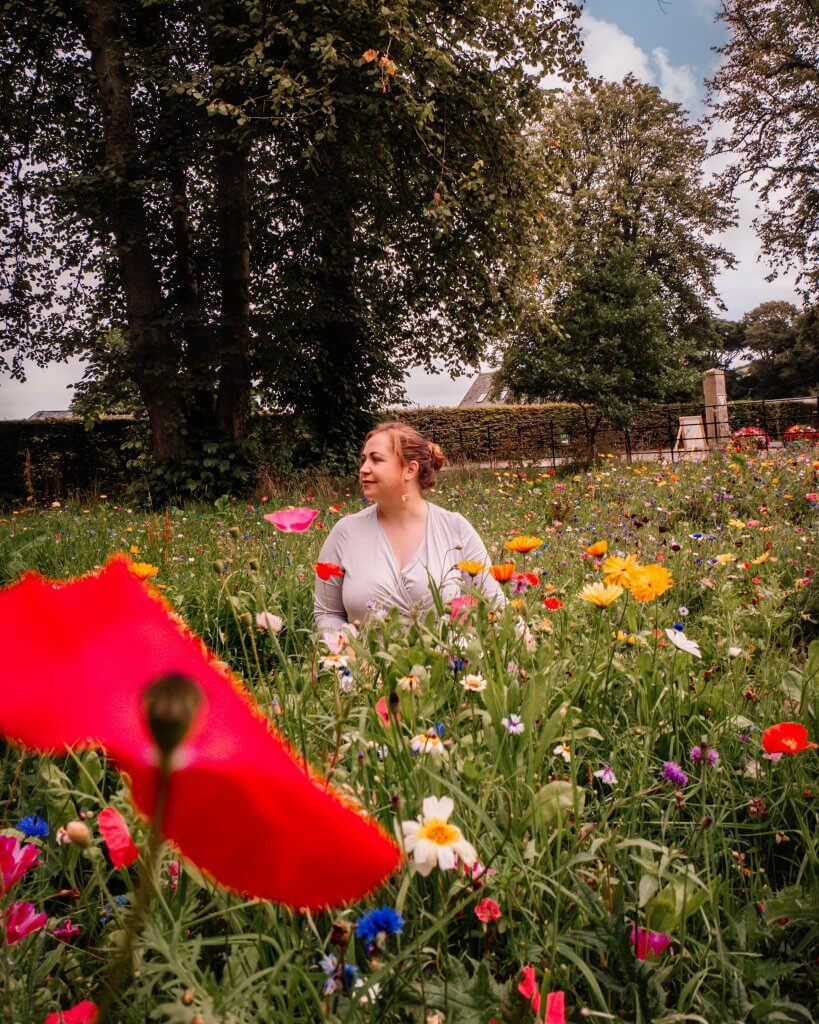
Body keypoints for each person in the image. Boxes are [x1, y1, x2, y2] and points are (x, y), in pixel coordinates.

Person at [314, 422, 504, 631]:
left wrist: (528, 648)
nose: (363, 469)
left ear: (410, 469)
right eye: (363, 460)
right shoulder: (346, 532)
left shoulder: (455, 528)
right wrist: (349, 650)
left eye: (376, 459)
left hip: (447, 663)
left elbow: (494, 606)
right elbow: (327, 614)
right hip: (365, 662)